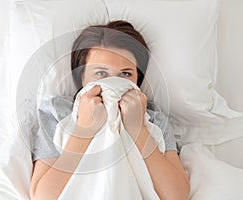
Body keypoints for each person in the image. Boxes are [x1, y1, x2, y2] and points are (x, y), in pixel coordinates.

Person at [30, 20, 190, 200]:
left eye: (125, 74)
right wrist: (84, 130)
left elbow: (177, 196)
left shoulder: (154, 118)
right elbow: (43, 196)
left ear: (137, 79)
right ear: (82, 77)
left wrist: (138, 130)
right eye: (100, 73)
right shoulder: (57, 113)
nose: (113, 83)